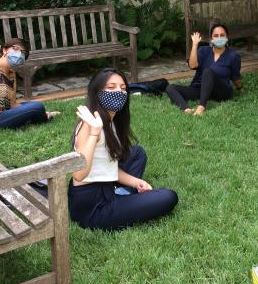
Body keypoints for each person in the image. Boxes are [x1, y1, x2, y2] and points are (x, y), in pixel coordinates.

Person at [69, 68, 178, 231]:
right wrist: (93, 134)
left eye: (123, 88)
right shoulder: (90, 124)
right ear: (97, 93)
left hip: (106, 188)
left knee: (137, 153)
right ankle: (123, 196)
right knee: (169, 197)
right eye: (111, 88)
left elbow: (108, 164)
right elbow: (78, 174)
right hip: (93, 207)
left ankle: (122, 193)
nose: (118, 92)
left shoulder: (111, 120)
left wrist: (136, 182)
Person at [165, 23, 242, 116]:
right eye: (216, 36)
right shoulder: (204, 51)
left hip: (220, 91)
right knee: (170, 87)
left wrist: (240, 87)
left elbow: (235, 77)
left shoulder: (233, 56)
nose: (219, 38)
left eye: (222, 35)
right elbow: (193, 65)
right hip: (200, 90)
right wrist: (194, 45)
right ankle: (186, 109)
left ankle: (201, 107)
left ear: (227, 37)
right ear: (211, 38)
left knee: (208, 71)